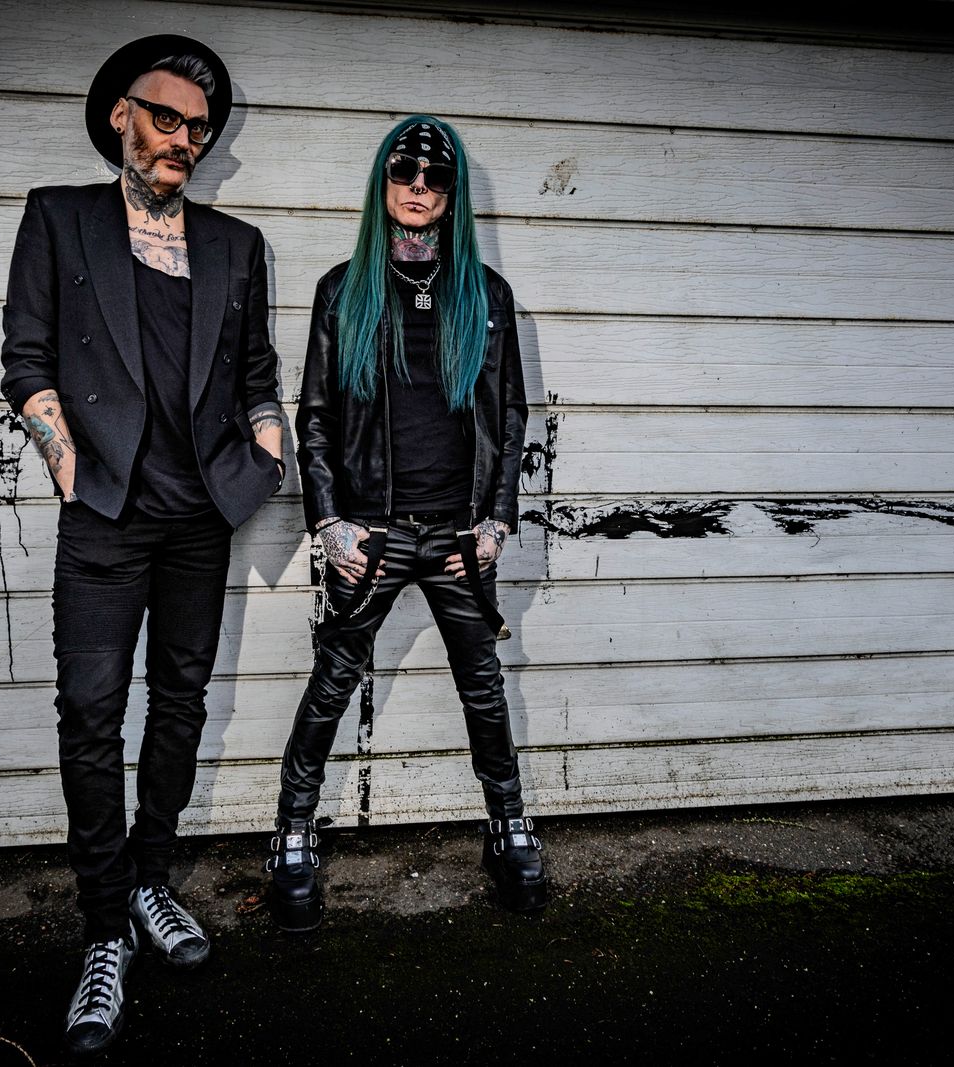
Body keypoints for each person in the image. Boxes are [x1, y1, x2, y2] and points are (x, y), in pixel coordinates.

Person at [0, 34, 285, 1054]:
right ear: (121, 114)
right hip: (105, 517)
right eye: (166, 116)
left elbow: (257, 373)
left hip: (199, 518)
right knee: (89, 713)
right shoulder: (60, 217)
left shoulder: (235, 244)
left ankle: (152, 880)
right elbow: (25, 356)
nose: (183, 139)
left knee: (180, 701)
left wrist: (265, 458)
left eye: (198, 127)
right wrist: (69, 466)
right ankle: (103, 926)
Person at [264, 116, 544, 931]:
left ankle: (508, 825)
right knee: (331, 681)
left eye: (436, 176)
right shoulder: (342, 291)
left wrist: (495, 523)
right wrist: (330, 523)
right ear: (382, 184)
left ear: (453, 194)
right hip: (373, 534)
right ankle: (292, 832)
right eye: (404, 172)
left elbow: (510, 416)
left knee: (483, 685)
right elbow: (316, 415)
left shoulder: (486, 297)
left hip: (459, 535)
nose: (419, 187)